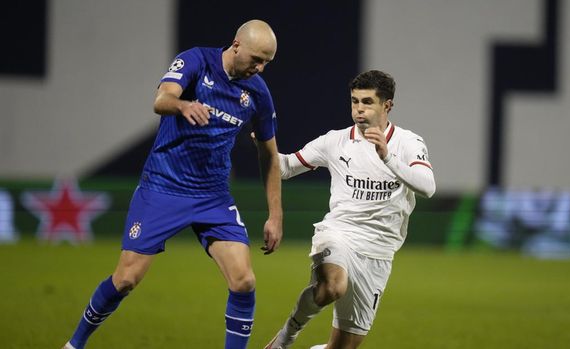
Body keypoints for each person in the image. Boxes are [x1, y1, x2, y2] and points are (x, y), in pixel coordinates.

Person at [62, 19, 283, 349]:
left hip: (213, 197)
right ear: (236, 45)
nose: (261, 68)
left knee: (244, 281)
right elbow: (161, 99)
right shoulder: (196, 61)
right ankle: (74, 344)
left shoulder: (257, 93)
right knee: (126, 279)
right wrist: (182, 105)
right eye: (256, 59)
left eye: (267, 62)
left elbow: (269, 154)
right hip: (163, 187)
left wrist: (275, 214)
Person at [263, 70, 436, 349]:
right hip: (339, 234)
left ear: (387, 105)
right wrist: (264, 143)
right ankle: (284, 338)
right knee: (333, 286)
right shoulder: (335, 141)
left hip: (378, 252)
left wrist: (388, 158)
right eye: (354, 101)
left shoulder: (408, 143)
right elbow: (283, 167)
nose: (358, 109)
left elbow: (428, 187)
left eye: (367, 102)